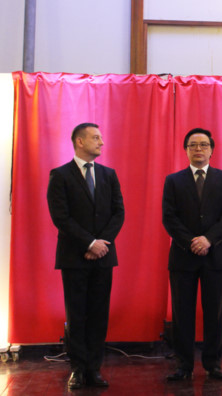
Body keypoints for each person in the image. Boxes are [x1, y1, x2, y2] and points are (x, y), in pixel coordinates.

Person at [46, 123, 125, 389]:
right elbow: (61, 217)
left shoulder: (108, 174)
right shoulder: (60, 175)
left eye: (101, 137)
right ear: (79, 141)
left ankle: (94, 368)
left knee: (99, 314)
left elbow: (119, 212)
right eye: (96, 138)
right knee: (77, 314)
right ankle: (77, 369)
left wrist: (101, 244)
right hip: (74, 256)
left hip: (104, 255)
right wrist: (89, 243)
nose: (101, 142)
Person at [163, 128, 222, 381]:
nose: (198, 149)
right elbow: (169, 218)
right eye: (193, 145)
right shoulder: (173, 180)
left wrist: (208, 239)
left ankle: (213, 364)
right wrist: (191, 242)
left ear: (211, 150)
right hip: (183, 256)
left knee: (214, 312)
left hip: (215, 255)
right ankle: (183, 365)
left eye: (203, 145)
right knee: (182, 313)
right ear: (186, 150)